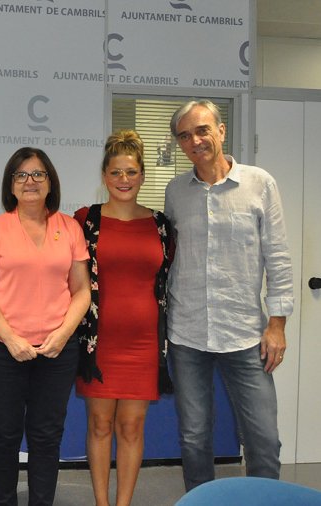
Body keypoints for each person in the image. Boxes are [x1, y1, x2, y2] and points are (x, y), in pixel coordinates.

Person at [165, 99, 293, 491]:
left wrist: (277, 324)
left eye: (202, 130)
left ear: (221, 131)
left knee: (263, 440)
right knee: (194, 438)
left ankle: (264, 502)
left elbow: (279, 257)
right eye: (185, 136)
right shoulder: (175, 191)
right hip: (187, 335)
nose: (195, 141)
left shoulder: (260, 183)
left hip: (245, 335)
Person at [0, 147, 90, 506]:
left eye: (38, 174)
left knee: (46, 437)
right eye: (21, 175)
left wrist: (62, 334)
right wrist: (11, 339)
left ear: (50, 181)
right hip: (2, 349)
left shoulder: (69, 227)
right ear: (10, 186)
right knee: (4, 437)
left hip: (56, 350)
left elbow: (82, 290)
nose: (30, 182)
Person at [74, 130, 173, 506]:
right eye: (116, 173)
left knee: (131, 427)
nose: (124, 180)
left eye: (131, 172)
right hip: (98, 344)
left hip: (144, 344)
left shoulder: (161, 226)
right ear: (104, 176)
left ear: (143, 175)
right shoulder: (86, 220)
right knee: (100, 425)